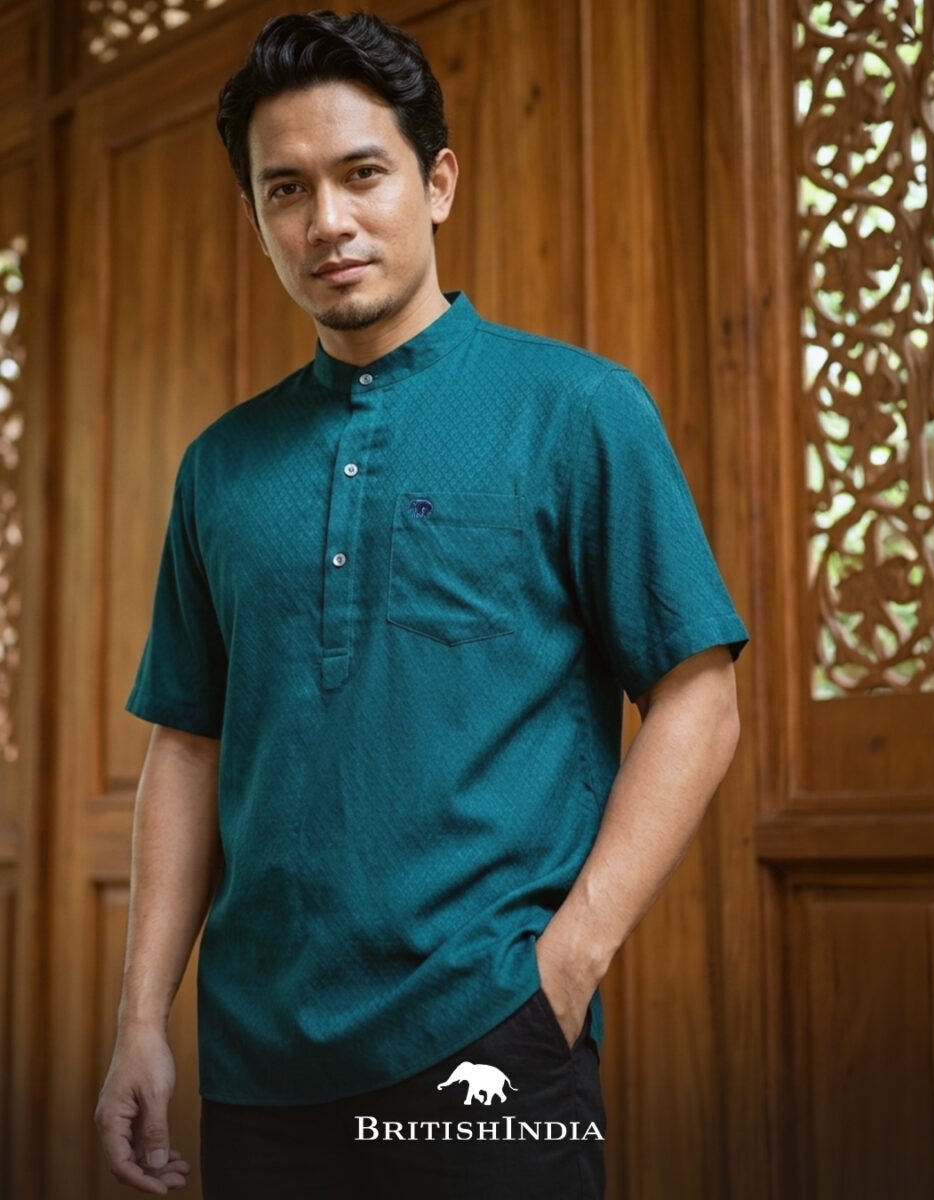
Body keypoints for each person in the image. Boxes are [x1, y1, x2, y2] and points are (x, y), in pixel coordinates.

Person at [94, 9, 749, 1199]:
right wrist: (142, 1020)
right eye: (286, 190)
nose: (327, 222)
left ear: (437, 183)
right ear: (256, 218)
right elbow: (186, 747)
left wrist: (564, 967)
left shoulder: (577, 411)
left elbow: (699, 700)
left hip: (490, 1042)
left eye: (363, 174)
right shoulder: (219, 468)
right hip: (255, 1072)